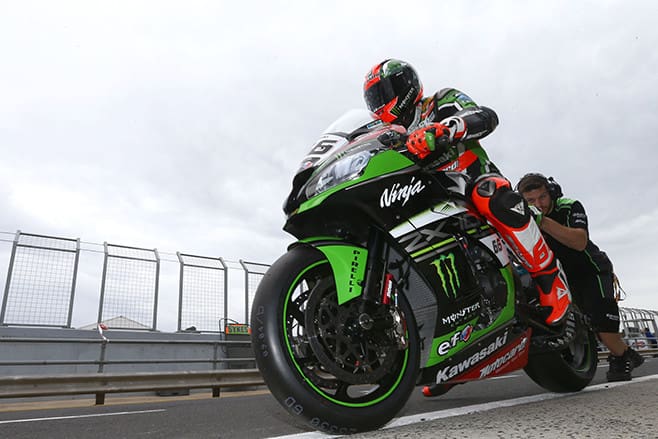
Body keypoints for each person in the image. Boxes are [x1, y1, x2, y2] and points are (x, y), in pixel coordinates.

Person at [363, 59, 572, 327]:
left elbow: (485, 116)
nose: (380, 102)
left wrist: (447, 128)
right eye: (374, 98)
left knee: (492, 195)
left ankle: (550, 278)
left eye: (384, 92)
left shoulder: (440, 101)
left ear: (406, 84)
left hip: (469, 177)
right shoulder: (385, 134)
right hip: (424, 193)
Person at [516, 172, 644, 381]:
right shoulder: (520, 219)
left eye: (542, 197)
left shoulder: (569, 206)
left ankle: (622, 356)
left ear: (551, 193)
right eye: (531, 201)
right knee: (583, 324)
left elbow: (579, 242)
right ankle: (624, 354)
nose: (538, 204)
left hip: (591, 270)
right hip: (560, 278)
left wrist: (542, 221)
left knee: (602, 323)